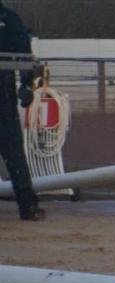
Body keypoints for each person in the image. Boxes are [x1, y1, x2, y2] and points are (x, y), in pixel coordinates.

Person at [0, 1, 41, 220]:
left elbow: (24, 55)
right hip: (4, 96)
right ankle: (28, 204)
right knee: (14, 154)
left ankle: (28, 205)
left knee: (14, 152)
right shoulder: (8, 19)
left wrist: (26, 85)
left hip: (3, 97)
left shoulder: (8, 19)